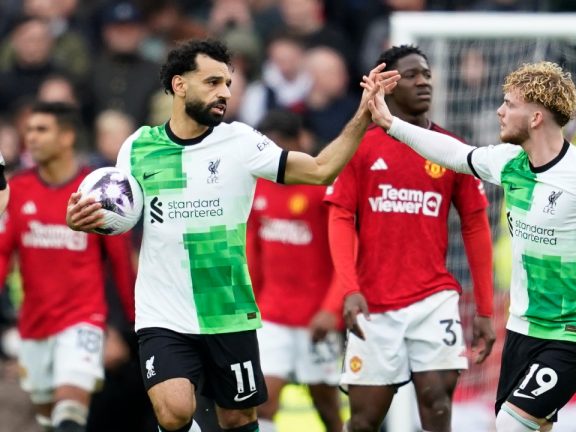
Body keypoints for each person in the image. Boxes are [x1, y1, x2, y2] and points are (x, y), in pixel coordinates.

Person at [65, 38, 398, 432]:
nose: (224, 92)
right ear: (179, 85)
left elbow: (322, 169)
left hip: (226, 308)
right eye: (212, 82)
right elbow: (115, 213)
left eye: (227, 83)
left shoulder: (241, 142)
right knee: (173, 411)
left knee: (238, 417)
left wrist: (362, 115)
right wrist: (81, 219)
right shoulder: (137, 147)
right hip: (162, 310)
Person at [363, 60, 576, 432]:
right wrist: (390, 123)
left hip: (574, 333)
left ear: (535, 117)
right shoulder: (510, 163)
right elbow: (452, 153)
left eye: (509, 104)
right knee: (532, 427)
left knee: (510, 423)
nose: (500, 111)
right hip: (522, 328)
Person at [324, 45, 496, 432]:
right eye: (413, 75)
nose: (424, 82)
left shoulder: (451, 149)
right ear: (387, 85)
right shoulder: (360, 146)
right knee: (364, 420)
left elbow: (474, 224)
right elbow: (338, 217)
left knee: (437, 403)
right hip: (374, 304)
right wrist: (349, 289)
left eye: (427, 74)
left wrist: (484, 309)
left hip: (433, 300)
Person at [0, 101, 136, 432]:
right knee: (49, 421)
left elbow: (120, 265)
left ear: (67, 137)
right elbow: (3, 255)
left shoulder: (98, 193)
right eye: (29, 130)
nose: (31, 137)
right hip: (34, 325)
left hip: (83, 321)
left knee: (70, 413)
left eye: (41, 130)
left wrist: (125, 329)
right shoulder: (17, 189)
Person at [247, 109, 343, 432]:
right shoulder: (257, 189)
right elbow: (252, 257)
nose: (272, 156)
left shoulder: (322, 189)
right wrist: (252, 307)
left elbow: (346, 255)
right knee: (264, 402)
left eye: (279, 146)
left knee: (328, 410)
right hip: (272, 316)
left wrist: (332, 310)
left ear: (298, 142)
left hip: (317, 321)